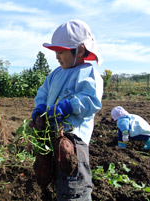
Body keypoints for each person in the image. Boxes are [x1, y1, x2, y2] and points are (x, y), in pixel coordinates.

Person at [31, 19, 103, 200]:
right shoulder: (55, 73)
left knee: (73, 185)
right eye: (56, 52)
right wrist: (39, 109)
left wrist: (68, 105)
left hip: (73, 140)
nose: (57, 57)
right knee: (51, 175)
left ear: (79, 50)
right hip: (52, 135)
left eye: (61, 52)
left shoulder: (89, 73)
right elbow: (43, 93)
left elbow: (91, 101)